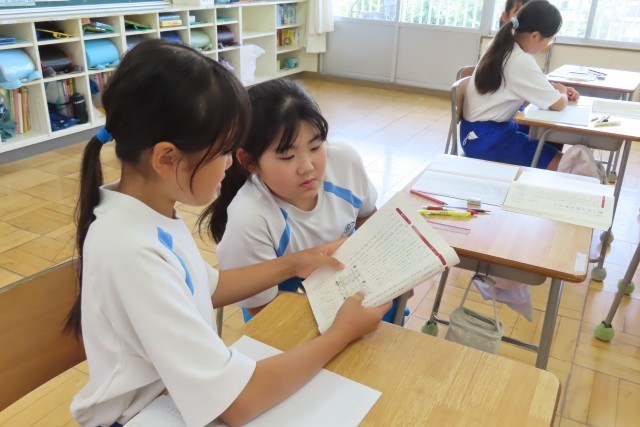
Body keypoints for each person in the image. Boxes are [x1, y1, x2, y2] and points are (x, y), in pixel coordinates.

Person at [66, 39, 390, 427]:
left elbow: (208, 287)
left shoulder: (148, 214)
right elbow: (238, 404)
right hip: (142, 416)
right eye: (223, 152)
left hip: (171, 399)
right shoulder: (130, 251)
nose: (228, 166)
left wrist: (294, 263)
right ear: (166, 158)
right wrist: (340, 334)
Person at [202, 79, 406, 323]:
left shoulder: (344, 162)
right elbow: (263, 312)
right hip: (284, 310)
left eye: (316, 146)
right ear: (249, 162)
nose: (307, 167)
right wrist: (340, 328)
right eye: (287, 156)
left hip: (349, 285)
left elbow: (367, 216)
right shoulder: (249, 217)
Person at [461, 0, 579, 170]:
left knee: (543, 129)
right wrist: (561, 91)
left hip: (482, 131)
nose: (548, 44)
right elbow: (559, 104)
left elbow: (531, 82)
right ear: (535, 36)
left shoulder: (504, 43)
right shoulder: (519, 60)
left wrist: (555, 89)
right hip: (486, 140)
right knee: (568, 165)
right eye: (550, 39)